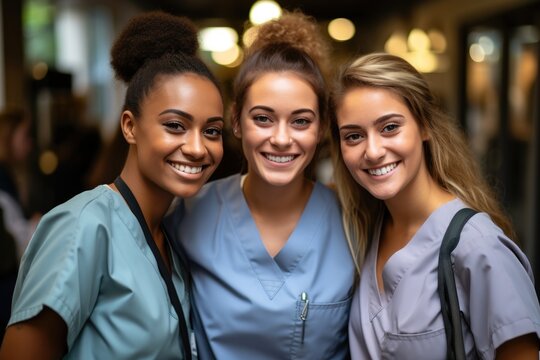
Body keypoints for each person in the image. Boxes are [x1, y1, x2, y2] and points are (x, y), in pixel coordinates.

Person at [0, 11, 224, 359]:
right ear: (130, 126)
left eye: (212, 131)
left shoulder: (170, 233)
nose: (197, 148)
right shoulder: (83, 226)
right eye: (176, 126)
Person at [165, 11, 355, 360]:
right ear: (236, 121)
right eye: (263, 119)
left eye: (300, 121)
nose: (281, 139)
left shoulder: (354, 223)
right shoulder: (187, 215)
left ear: (322, 127)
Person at [330, 52, 540, 359]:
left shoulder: (478, 247)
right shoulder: (365, 227)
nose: (372, 151)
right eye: (353, 136)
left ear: (425, 126)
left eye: (389, 127)